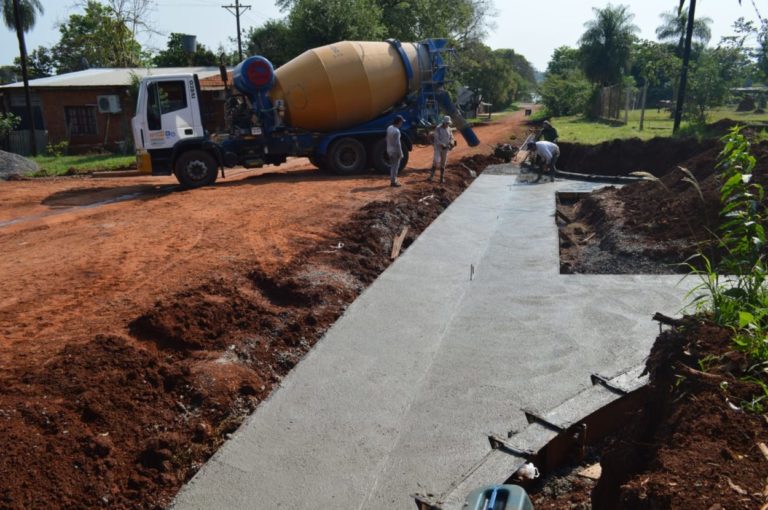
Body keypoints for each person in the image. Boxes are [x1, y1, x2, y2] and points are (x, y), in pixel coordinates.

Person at [430, 116, 455, 183]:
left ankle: (441, 178)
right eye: (446, 123)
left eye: (448, 123)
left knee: (443, 162)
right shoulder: (438, 128)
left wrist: (452, 142)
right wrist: (441, 144)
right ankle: (431, 176)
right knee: (436, 160)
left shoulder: (449, 129)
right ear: (443, 122)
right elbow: (436, 138)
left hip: (445, 148)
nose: (447, 124)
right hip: (438, 148)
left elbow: (452, 137)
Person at [386, 115, 405, 187]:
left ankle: (393, 180)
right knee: (395, 167)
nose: (402, 124)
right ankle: (393, 182)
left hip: (389, 150)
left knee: (392, 166)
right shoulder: (397, 131)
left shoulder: (389, 127)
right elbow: (398, 144)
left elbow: (387, 138)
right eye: (401, 122)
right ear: (399, 122)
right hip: (395, 151)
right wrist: (401, 153)